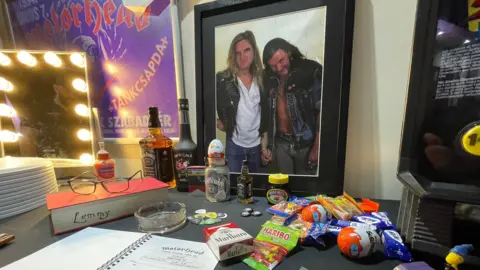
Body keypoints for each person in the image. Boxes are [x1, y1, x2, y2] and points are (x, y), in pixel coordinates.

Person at [261, 38, 322, 174]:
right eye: (273, 65)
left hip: (306, 145)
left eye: (281, 60)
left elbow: (322, 111)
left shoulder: (310, 71)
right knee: (283, 190)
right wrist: (266, 147)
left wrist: (317, 148)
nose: (279, 68)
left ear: (289, 52)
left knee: (306, 191)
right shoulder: (269, 79)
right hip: (281, 145)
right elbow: (265, 115)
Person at [216, 30, 268, 173]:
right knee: (233, 184)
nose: (242, 57)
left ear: (254, 52)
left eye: (246, 50)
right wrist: (218, 122)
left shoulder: (263, 77)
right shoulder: (223, 79)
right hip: (234, 143)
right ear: (233, 55)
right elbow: (206, 103)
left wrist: (265, 146)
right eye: (238, 53)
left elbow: (267, 112)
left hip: (256, 144)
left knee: (256, 186)